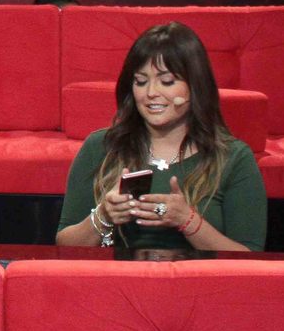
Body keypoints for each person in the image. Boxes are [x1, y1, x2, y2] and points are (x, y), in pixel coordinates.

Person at [55, 21, 266, 252]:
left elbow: (250, 259)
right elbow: (64, 247)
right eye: (140, 81)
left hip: (199, 276)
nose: (151, 93)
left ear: (196, 86)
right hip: (120, 275)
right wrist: (103, 215)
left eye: (167, 81)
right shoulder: (100, 147)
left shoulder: (233, 158)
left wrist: (188, 221)